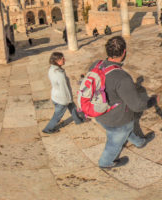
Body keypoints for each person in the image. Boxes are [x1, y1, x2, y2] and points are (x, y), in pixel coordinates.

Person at [91, 36, 153, 168]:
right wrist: (152, 101)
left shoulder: (96, 64)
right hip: (117, 120)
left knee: (126, 131)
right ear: (124, 52)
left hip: (98, 112)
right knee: (114, 142)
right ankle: (105, 163)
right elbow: (136, 106)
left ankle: (140, 142)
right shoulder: (122, 78)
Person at [43, 52, 84, 134]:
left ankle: (78, 120)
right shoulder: (59, 74)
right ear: (57, 61)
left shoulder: (52, 69)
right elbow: (64, 89)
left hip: (56, 95)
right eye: (62, 59)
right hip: (62, 99)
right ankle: (48, 129)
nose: (64, 60)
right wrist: (68, 100)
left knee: (73, 107)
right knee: (57, 116)